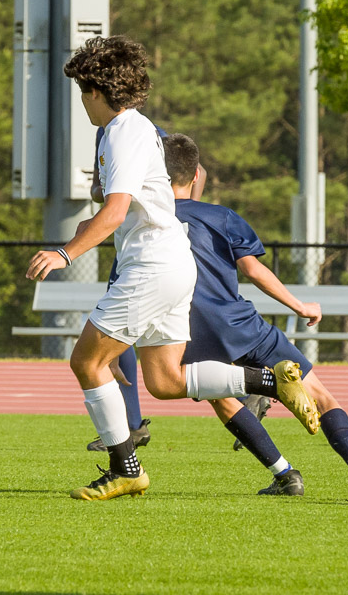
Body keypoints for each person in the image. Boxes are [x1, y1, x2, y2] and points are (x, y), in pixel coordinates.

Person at [26, 36, 319, 501]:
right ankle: (270, 379)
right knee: (165, 381)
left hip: (150, 267)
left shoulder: (121, 132)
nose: (82, 103)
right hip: (172, 264)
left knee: (85, 361)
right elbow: (129, 209)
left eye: (83, 92)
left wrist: (64, 253)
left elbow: (116, 213)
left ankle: (127, 469)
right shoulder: (139, 128)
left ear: (97, 92)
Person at [163, 133, 348, 501]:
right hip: (240, 324)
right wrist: (299, 306)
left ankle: (285, 474)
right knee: (320, 394)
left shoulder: (144, 223)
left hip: (187, 331)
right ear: (196, 175)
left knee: (222, 398)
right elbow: (252, 270)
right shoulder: (219, 216)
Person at [82, 125, 208, 453]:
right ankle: (259, 381)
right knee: (163, 379)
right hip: (135, 247)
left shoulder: (141, 130)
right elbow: (106, 189)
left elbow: (197, 172)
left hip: (151, 251)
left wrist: (183, 212)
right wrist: (103, 189)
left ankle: (126, 447)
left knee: (90, 358)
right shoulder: (107, 132)